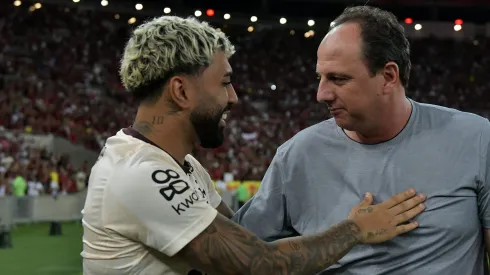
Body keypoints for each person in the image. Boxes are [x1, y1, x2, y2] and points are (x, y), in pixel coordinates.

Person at [80, 15, 426, 275]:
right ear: (181, 91)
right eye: (225, 83)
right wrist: (356, 229)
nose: (233, 97)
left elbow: (246, 238)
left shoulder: (180, 166)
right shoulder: (140, 174)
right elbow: (259, 264)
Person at [232, 5, 490, 275]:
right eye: (320, 78)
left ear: (389, 76)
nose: (322, 94)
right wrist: (349, 233)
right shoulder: (297, 155)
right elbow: (244, 257)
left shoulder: (475, 139)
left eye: (338, 79)